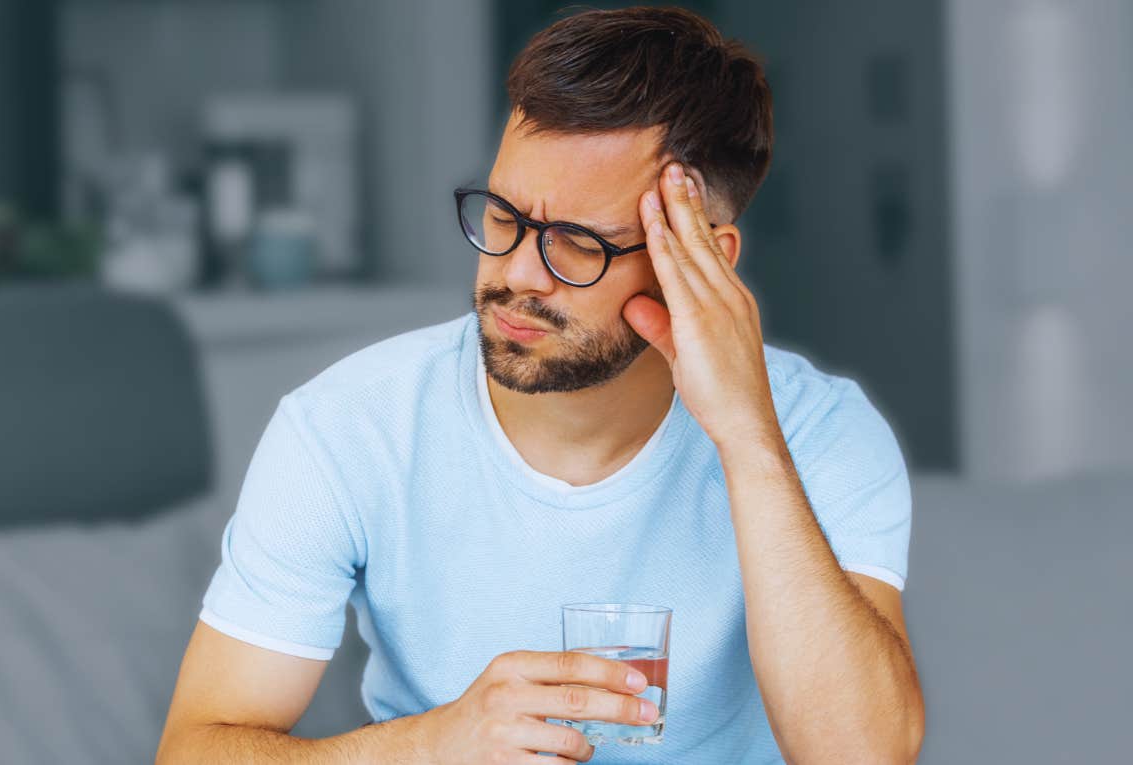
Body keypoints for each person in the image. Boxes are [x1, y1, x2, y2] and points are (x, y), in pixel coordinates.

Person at [157, 6, 924, 764]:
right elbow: (193, 750)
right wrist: (431, 745)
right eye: (503, 216)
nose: (516, 274)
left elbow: (863, 754)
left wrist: (749, 437)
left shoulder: (820, 432)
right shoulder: (343, 430)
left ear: (702, 259)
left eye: (575, 243)